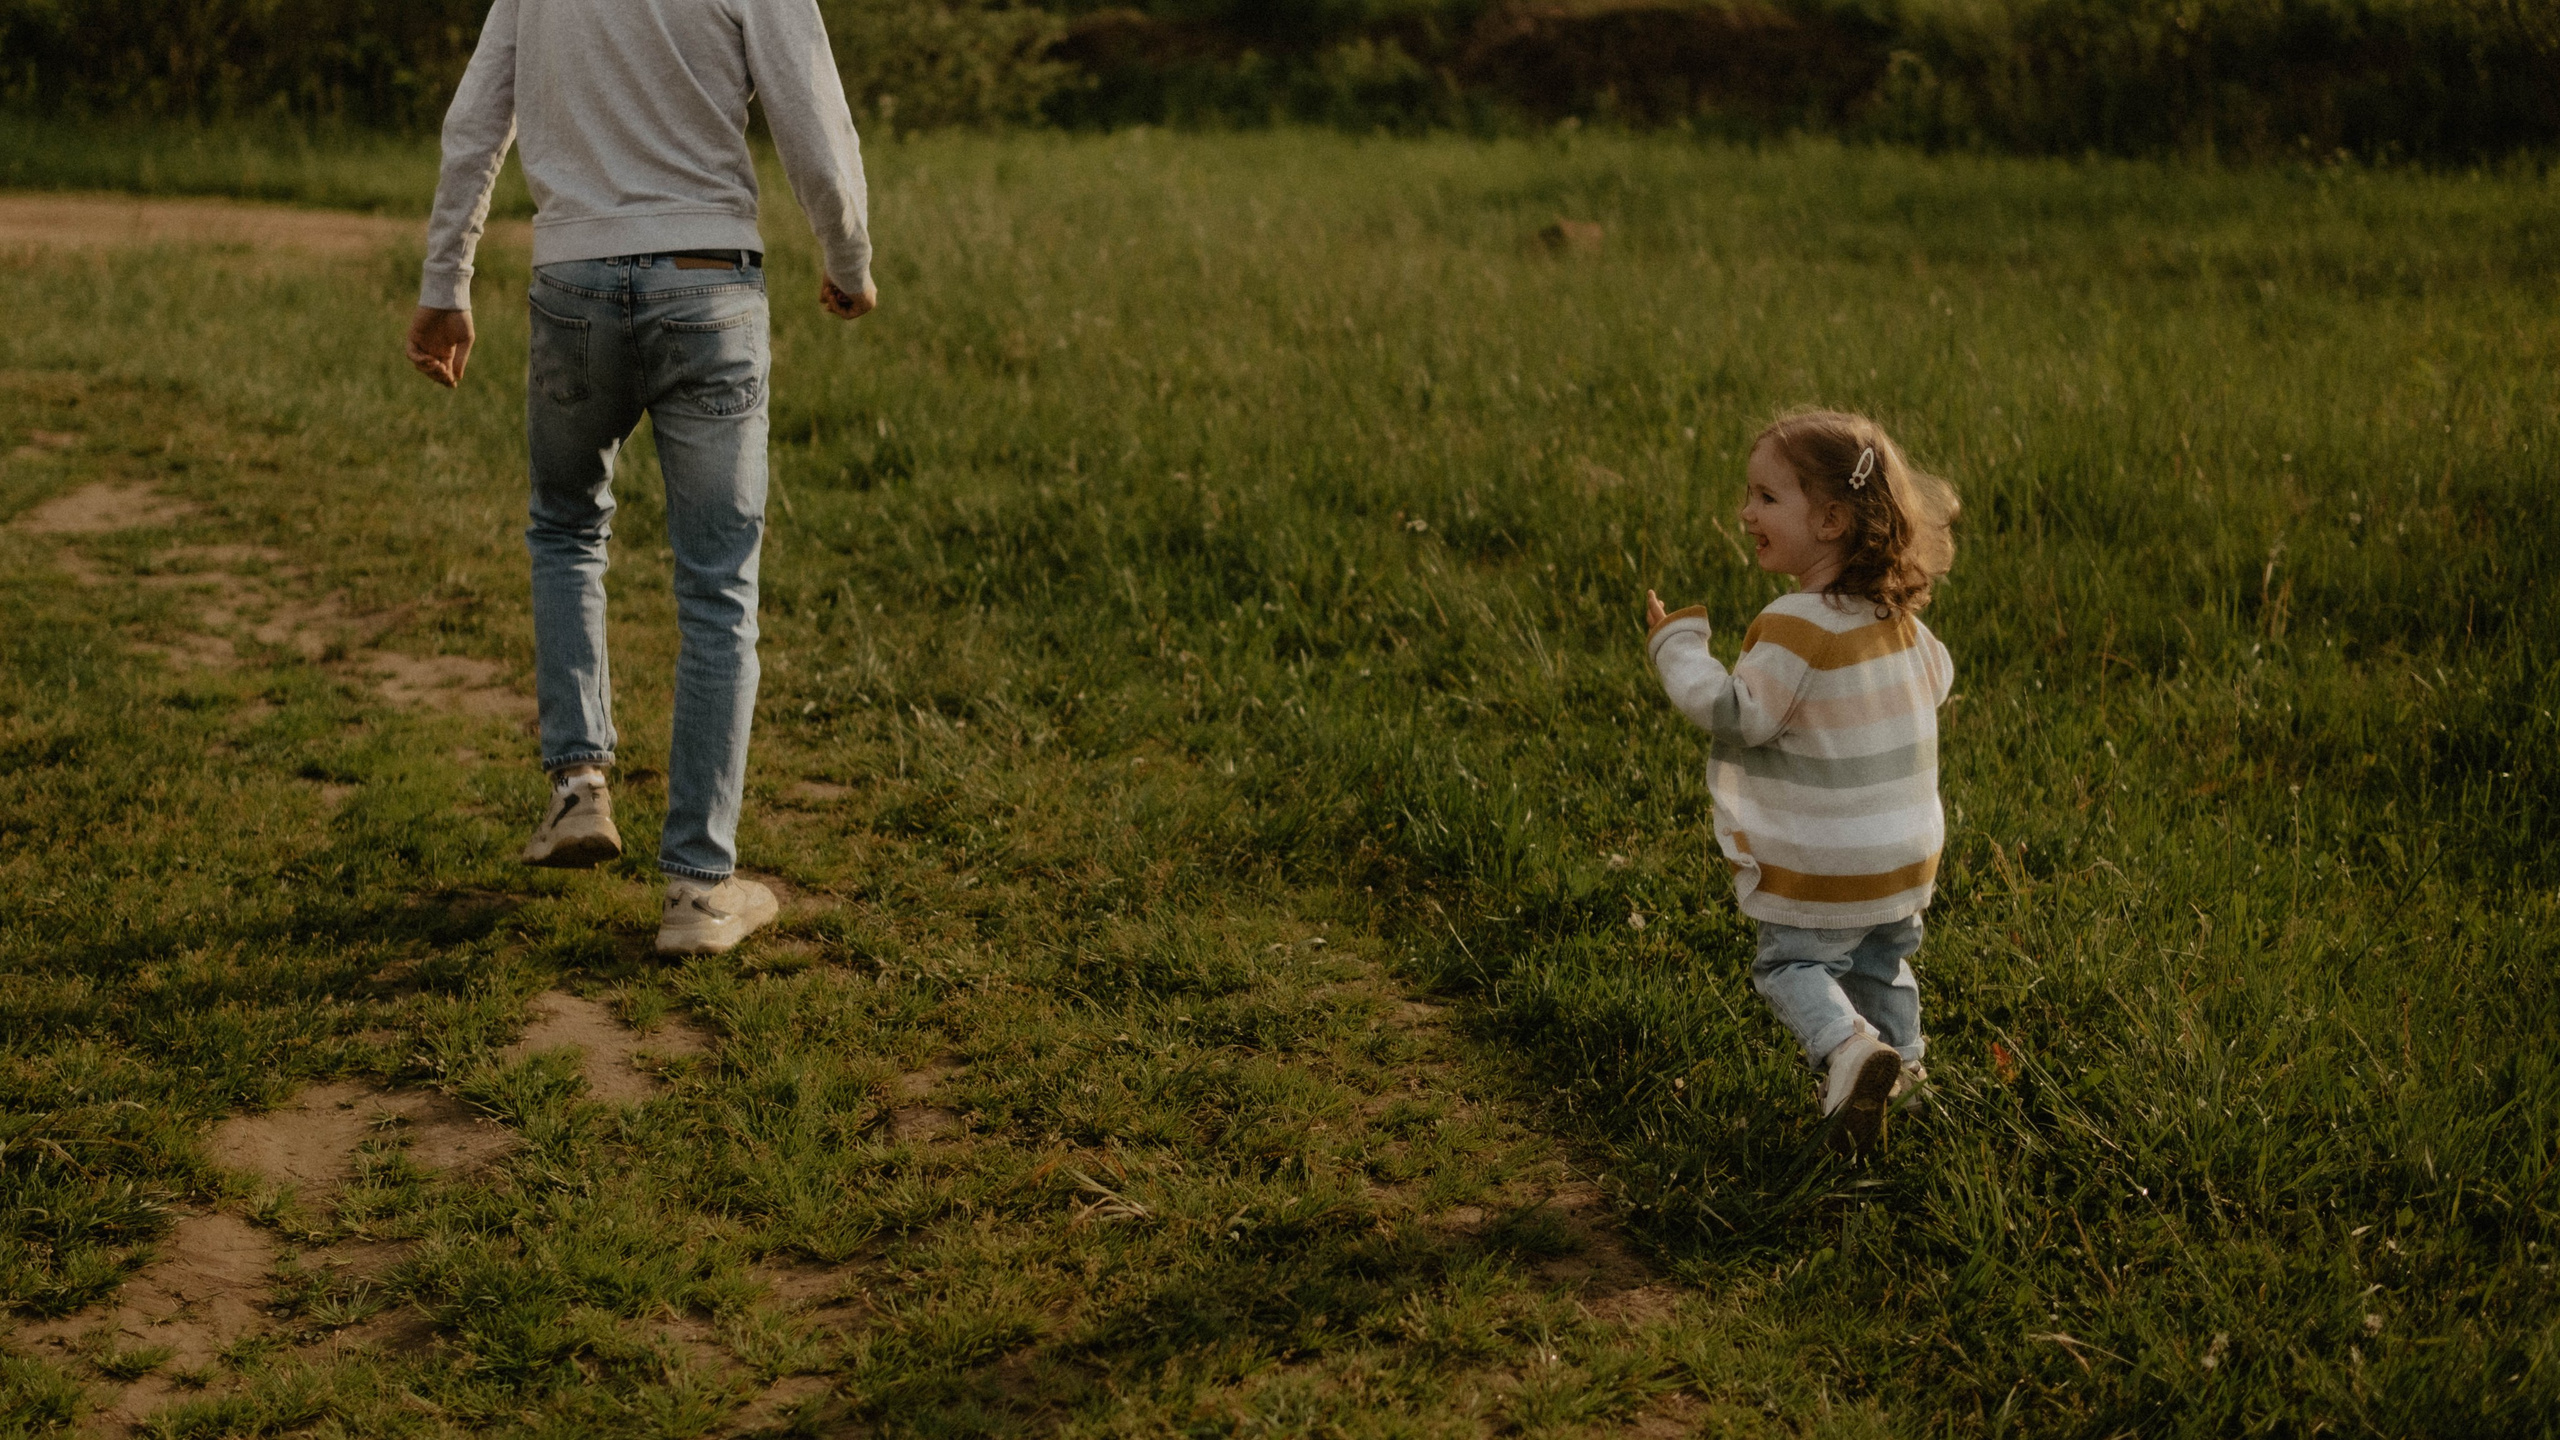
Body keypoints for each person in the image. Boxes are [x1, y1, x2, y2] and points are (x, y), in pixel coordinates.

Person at [401, 0, 877, 956]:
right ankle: (700, 890)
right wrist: (848, 257)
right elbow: (810, 112)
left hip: (572, 281)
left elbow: (474, 122)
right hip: (709, 280)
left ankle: (579, 786)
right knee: (717, 585)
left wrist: (446, 284)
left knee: (569, 527)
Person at [1643, 410, 1959, 1153]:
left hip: (1827, 864)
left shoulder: (1794, 624)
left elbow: (1734, 711)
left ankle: (1848, 1051)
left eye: (1765, 497)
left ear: (1830, 520)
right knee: (1883, 961)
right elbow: (1938, 681)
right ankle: (1905, 1076)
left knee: (1791, 962)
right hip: (1906, 860)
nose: (1745, 512)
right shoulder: (1899, 621)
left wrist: (1676, 646)